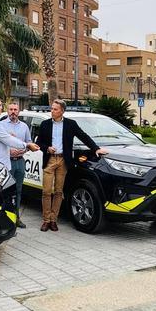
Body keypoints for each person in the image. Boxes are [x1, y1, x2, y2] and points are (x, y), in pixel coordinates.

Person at [33, 99, 109, 232]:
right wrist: (47, 148)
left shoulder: (70, 124)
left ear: (62, 111)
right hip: (50, 160)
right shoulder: (45, 124)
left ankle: (53, 220)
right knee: (46, 191)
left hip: (63, 161)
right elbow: (39, 142)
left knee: (58, 192)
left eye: (55, 109)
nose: (52, 111)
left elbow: (83, 136)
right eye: (52, 108)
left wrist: (96, 148)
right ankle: (46, 220)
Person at [0, 96, 40, 209]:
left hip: (7, 163)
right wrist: (26, 145)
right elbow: (6, 139)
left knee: (11, 191)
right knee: (1, 194)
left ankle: (11, 217)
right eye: (0, 105)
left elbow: (2, 137)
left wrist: (23, 146)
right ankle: (4, 219)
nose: (1, 107)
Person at [1, 101, 32, 228]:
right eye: (11, 109)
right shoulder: (1, 125)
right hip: (7, 162)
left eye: (15, 109)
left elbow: (29, 143)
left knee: (18, 191)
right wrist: (9, 150)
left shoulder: (24, 126)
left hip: (20, 161)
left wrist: (23, 149)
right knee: (5, 191)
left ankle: (17, 217)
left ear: (18, 111)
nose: (13, 112)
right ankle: (4, 218)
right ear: (7, 111)